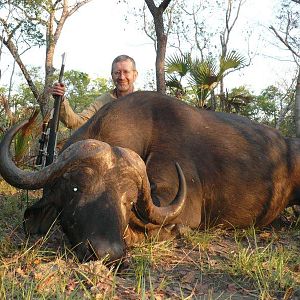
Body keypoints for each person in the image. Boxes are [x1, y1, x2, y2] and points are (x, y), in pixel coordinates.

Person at [51, 54, 138, 130]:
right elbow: (77, 123)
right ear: (112, 76)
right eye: (117, 73)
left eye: (126, 72)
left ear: (135, 75)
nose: (121, 77)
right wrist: (61, 99)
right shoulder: (102, 102)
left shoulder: (144, 101)